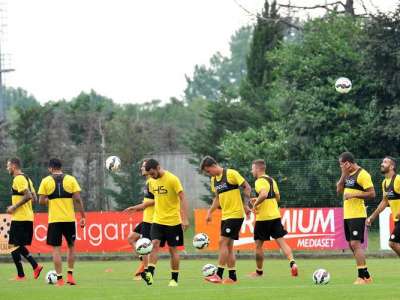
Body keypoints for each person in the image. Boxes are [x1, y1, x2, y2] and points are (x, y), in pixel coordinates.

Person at [200, 155, 251, 284]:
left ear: (212, 165)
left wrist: (246, 204)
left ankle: (219, 275)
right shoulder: (214, 181)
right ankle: (232, 277)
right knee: (228, 246)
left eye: (208, 171)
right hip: (226, 215)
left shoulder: (231, 174)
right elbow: (217, 198)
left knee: (222, 242)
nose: (208, 174)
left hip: (235, 214)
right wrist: (210, 212)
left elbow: (247, 187)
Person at [38, 158, 86, 286]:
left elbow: (41, 201)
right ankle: (70, 276)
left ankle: (59, 279)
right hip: (69, 219)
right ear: (61, 167)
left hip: (54, 220)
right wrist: (83, 216)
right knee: (71, 247)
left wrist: (51, 201)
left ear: (50, 168)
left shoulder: (45, 181)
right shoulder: (71, 179)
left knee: (56, 250)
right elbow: (78, 199)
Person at [144, 159, 189, 287]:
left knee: (172, 249)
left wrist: (184, 218)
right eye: (150, 174)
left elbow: (183, 198)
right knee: (154, 244)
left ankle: (174, 279)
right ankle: (150, 274)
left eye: (153, 173)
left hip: (173, 221)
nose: (152, 176)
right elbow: (156, 199)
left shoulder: (172, 179)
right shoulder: (151, 181)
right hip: (157, 220)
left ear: (158, 167)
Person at [248, 159, 298, 278]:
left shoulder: (259, 181)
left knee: (258, 246)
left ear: (257, 169)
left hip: (263, 218)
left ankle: (259, 272)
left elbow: (264, 194)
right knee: (282, 242)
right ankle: (293, 263)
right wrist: (260, 200)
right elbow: (277, 197)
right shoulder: (272, 180)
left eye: (252, 168)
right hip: (275, 216)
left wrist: (255, 204)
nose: (251, 171)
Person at [336, 152, 375, 285]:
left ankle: (361, 277)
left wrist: (354, 195)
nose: (340, 167)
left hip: (358, 214)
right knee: (351, 244)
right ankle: (367, 275)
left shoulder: (363, 174)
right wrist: (343, 174)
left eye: (341, 164)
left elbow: (372, 193)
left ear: (348, 163)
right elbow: (339, 189)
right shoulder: (347, 175)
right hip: (348, 214)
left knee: (355, 244)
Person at [6, 158, 43, 281]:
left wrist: (14, 206)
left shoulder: (18, 179)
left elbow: (28, 196)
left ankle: (25, 272)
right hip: (27, 217)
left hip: (20, 217)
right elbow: (34, 198)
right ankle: (33, 268)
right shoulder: (27, 178)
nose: (7, 169)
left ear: (14, 166)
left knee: (13, 245)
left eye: (8, 166)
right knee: (17, 245)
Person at [124, 159, 155, 282]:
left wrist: (138, 207)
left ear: (149, 169)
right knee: (131, 238)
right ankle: (144, 263)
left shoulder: (152, 182)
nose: (141, 168)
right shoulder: (148, 182)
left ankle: (146, 271)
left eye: (143, 166)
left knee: (145, 245)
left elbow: (155, 200)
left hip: (152, 219)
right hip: (146, 218)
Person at [367, 156, 400, 256]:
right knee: (394, 244)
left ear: (391, 166)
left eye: (385, 162)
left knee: (392, 243)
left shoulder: (398, 179)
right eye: (382, 162)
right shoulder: (385, 183)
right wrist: (372, 217)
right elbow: (385, 202)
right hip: (397, 219)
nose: (382, 164)